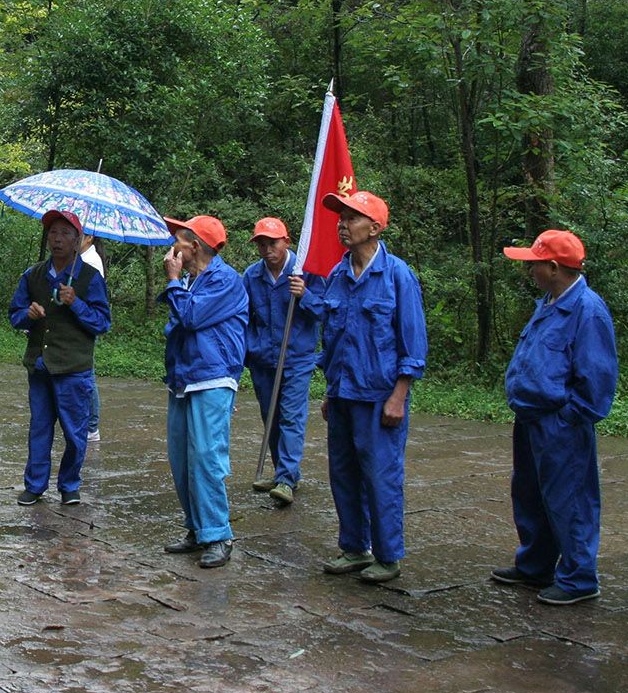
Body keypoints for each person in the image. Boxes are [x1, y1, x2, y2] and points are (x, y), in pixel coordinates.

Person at [493, 230, 618, 605]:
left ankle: (579, 578)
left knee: (570, 500)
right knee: (530, 496)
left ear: (553, 266)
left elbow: (597, 379)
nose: (529, 269)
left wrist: (567, 418)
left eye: (534, 263)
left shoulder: (588, 310)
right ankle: (535, 566)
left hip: (560, 423)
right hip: (530, 418)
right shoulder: (549, 301)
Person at [317, 190, 428, 585]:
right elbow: (332, 340)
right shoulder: (337, 275)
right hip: (344, 393)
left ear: (376, 227)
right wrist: (330, 390)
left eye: (351, 218)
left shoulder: (398, 275)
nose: (342, 224)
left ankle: (388, 555)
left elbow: (412, 343)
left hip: (380, 396)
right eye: (341, 217)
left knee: (381, 476)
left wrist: (399, 394)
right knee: (343, 473)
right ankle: (353, 547)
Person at [159, 215, 249, 569]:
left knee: (205, 459)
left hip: (212, 378)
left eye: (178, 241)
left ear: (194, 246)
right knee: (181, 460)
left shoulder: (225, 280)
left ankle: (218, 534)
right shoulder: (193, 282)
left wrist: (173, 280)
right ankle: (197, 529)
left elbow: (191, 317)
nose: (172, 249)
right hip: (183, 377)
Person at [8, 210, 111, 506]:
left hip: (73, 368)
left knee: (75, 431)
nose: (57, 239)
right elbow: (14, 315)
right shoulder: (33, 275)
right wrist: (27, 315)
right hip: (40, 365)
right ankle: (35, 485)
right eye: (53, 232)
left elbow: (102, 323)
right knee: (39, 427)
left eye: (66, 233)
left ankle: (69, 484)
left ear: (79, 239)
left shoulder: (89, 278)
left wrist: (75, 303)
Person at [242, 217, 324, 506]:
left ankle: (287, 478)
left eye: (272, 243)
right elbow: (244, 317)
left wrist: (306, 295)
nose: (266, 250)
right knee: (270, 416)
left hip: (297, 357)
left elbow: (326, 312)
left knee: (291, 415)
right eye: (261, 244)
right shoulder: (251, 276)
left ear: (286, 242)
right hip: (263, 358)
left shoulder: (306, 273)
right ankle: (282, 472)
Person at [80, 233, 107, 441]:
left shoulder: (91, 261)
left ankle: (92, 426)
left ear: (88, 237)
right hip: (78, 324)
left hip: (86, 324)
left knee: (87, 373)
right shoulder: (80, 259)